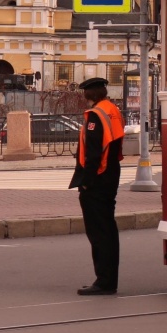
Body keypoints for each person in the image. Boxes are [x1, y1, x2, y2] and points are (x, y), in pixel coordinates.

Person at [70, 76, 125, 296]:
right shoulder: (112, 109)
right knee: (108, 230)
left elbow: (93, 153)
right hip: (111, 174)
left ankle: (104, 281)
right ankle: (109, 279)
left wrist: (87, 183)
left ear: (88, 95)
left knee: (99, 232)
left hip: (98, 179)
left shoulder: (95, 115)